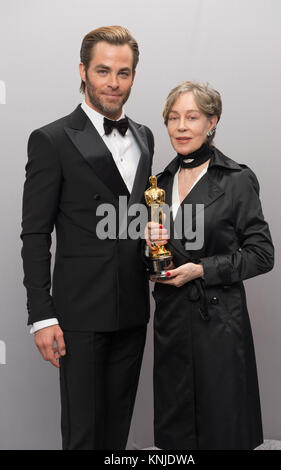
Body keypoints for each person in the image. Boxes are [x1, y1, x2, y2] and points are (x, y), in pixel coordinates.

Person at [21, 25, 154, 450]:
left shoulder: (145, 136)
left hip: (133, 308)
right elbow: (35, 233)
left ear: (134, 75)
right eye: (103, 71)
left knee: (117, 434)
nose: (114, 83)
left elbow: (134, 218)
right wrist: (42, 315)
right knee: (83, 435)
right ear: (82, 71)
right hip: (79, 314)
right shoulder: (52, 139)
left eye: (124, 73)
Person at [146, 81, 274, 450]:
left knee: (222, 428)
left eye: (192, 117)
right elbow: (151, 260)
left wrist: (202, 270)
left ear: (211, 122)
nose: (181, 126)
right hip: (171, 320)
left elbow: (263, 254)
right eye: (173, 118)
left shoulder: (236, 180)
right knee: (176, 428)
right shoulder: (159, 182)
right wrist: (147, 245)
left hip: (218, 321)